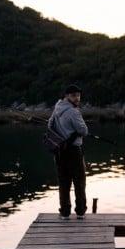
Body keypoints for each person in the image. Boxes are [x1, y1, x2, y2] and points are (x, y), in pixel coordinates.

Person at [48, 84, 89, 219]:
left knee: (64, 182)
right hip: (74, 151)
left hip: (59, 151)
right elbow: (84, 131)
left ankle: (65, 212)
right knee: (79, 181)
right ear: (66, 96)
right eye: (73, 95)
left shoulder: (57, 107)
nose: (77, 98)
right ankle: (80, 212)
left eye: (78, 95)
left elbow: (50, 125)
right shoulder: (73, 111)